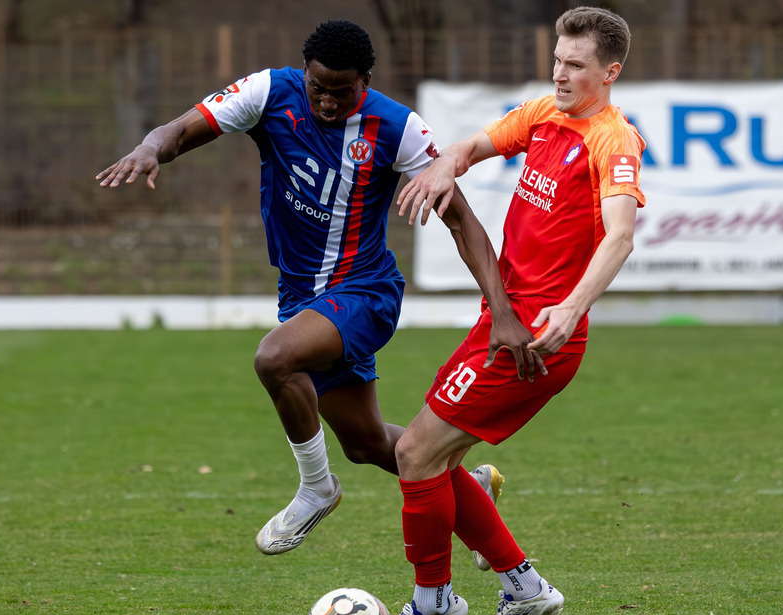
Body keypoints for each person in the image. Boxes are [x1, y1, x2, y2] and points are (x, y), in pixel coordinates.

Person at [96, 20, 535, 557]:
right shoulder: (268, 92)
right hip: (303, 298)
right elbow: (185, 129)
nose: (327, 102)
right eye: (317, 88)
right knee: (371, 445)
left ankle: (316, 488)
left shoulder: (397, 128)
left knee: (274, 358)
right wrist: (150, 148)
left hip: (364, 293)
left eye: (341, 91)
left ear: (364, 81)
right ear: (304, 73)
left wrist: (502, 309)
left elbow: (462, 220)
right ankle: (487, 515)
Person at [389, 6, 645, 615]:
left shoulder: (613, 140)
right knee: (437, 460)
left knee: (416, 452)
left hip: (537, 336)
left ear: (608, 73)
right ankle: (524, 589)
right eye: (557, 59)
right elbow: (472, 146)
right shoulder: (542, 115)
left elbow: (619, 238)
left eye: (576, 65)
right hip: (504, 320)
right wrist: (448, 164)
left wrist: (571, 307)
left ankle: (432, 603)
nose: (560, 73)